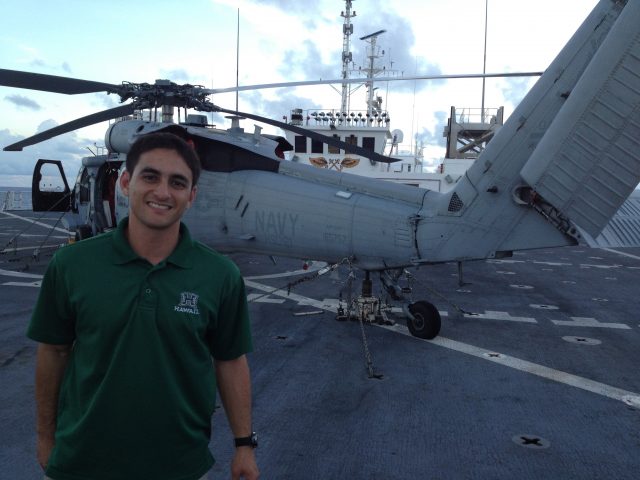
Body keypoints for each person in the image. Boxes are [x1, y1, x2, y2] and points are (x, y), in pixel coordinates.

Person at [27, 132, 259, 480]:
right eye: (150, 177)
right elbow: (54, 352)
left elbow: (230, 361)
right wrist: (46, 437)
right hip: (82, 463)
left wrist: (243, 445)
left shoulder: (220, 275)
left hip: (181, 467)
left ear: (192, 196)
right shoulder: (72, 265)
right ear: (125, 182)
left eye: (177, 183)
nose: (163, 192)